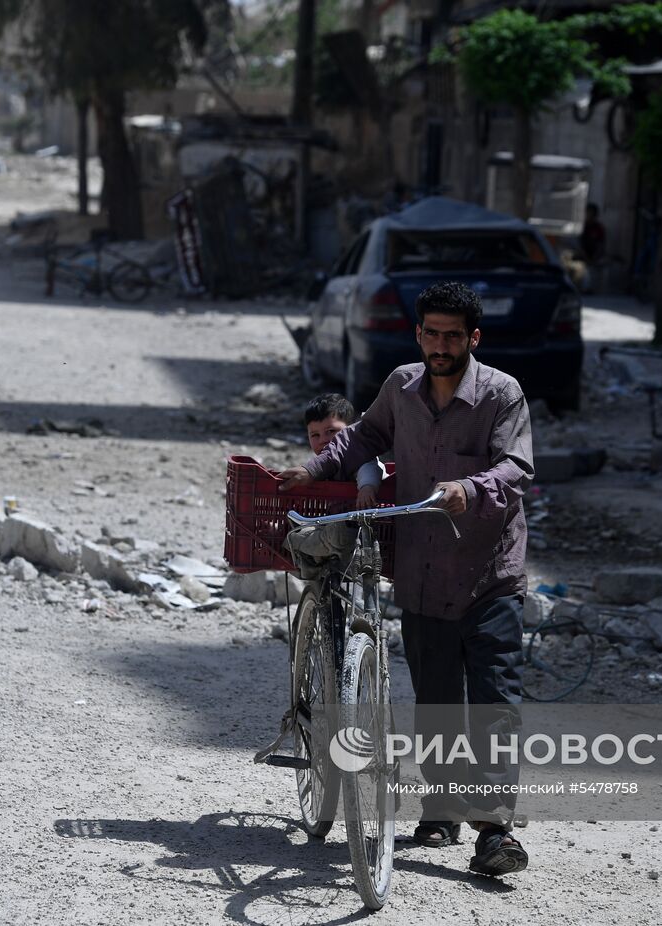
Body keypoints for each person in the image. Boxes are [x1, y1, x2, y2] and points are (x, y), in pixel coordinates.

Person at [278, 281, 534, 877]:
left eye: (453, 335)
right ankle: (441, 811)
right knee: (439, 699)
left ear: (473, 338)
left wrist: (469, 489)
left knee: (495, 703)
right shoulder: (400, 387)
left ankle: (494, 832)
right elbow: (362, 438)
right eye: (431, 333)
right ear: (418, 334)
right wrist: (311, 471)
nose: (441, 345)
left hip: (489, 574)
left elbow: (516, 468)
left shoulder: (502, 394)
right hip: (421, 573)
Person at [302, 393, 383, 511]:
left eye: (331, 431)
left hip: (372, 512)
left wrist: (367, 487)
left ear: (351, 431)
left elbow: (369, 467)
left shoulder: (358, 455)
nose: (323, 440)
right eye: (315, 435)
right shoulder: (319, 465)